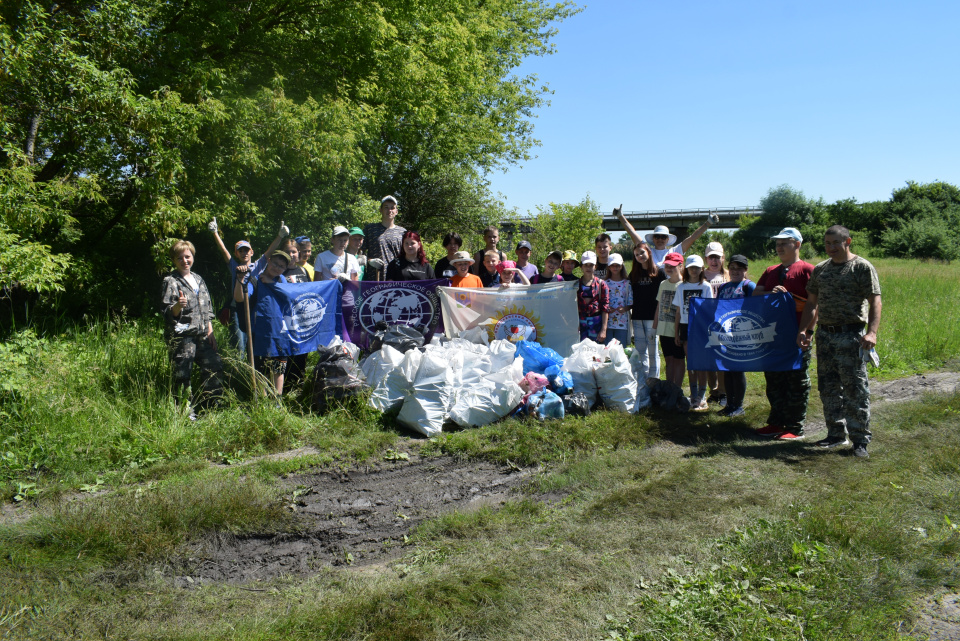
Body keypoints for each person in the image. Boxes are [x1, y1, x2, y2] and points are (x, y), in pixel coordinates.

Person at [798, 226, 882, 458]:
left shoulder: (861, 267)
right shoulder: (821, 269)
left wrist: (872, 333)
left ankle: (860, 440)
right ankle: (835, 434)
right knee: (828, 387)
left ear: (848, 241)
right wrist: (805, 330)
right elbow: (812, 303)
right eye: (827, 243)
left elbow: (875, 301)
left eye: (836, 242)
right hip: (825, 335)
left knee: (855, 389)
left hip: (851, 335)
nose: (831, 247)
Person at [753, 227, 816, 440]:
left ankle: (795, 427)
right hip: (772, 336)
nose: (779, 247)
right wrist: (771, 293)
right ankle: (776, 422)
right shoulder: (771, 270)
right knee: (774, 380)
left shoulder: (808, 270)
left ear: (797, 244)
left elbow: (815, 304)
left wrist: (808, 331)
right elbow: (755, 294)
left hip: (797, 335)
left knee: (796, 380)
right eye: (777, 243)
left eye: (784, 243)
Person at [161, 240, 223, 420]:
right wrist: (177, 306)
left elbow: (207, 308)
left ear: (193, 257)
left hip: (202, 335)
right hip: (183, 337)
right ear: (174, 260)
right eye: (179, 258)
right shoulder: (171, 281)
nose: (184, 261)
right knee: (182, 375)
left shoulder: (198, 279)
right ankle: (186, 413)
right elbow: (166, 312)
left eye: (187, 257)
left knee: (214, 366)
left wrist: (210, 332)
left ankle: (212, 407)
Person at [208, 218, 289, 354]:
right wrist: (215, 233)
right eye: (240, 251)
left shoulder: (258, 265)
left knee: (254, 343)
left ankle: (253, 365)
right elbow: (224, 251)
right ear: (236, 253)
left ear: (252, 252)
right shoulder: (235, 267)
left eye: (247, 250)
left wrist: (280, 236)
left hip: (255, 308)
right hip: (237, 308)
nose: (244, 253)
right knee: (239, 344)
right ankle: (239, 366)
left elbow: (270, 252)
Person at [234, 250, 292, 395]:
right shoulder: (254, 280)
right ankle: (262, 400)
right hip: (258, 332)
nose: (277, 268)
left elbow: (289, 296)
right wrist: (240, 280)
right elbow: (240, 298)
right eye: (275, 263)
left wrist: (272, 283)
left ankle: (277, 399)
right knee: (260, 369)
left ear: (285, 269)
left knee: (279, 368)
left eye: (281, 266)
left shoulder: (282, 280)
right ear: (269, 261)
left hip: (279, 332)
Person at [613, 205, 717, 267]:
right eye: (657, 236)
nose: (660, 239)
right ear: (653, 239)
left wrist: (708, 223)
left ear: (667, 239)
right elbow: (632, 232)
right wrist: (620, 216)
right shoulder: (648, 251)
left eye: (663, 237)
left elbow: (692, 237)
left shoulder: (675, 251)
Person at [716, 255, 755, 417]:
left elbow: (756, 308)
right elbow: (717, 308)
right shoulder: (723, 287)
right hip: (725, 334)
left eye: (739, 268)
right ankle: (729, 404)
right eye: (732, 268)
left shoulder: (749, 286)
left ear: (745, 270)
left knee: (738, 369)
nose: (735, 271)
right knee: (727, 368)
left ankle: (738, 406)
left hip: (742, 334)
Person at [672, 255, 713, 411]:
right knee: (691, 363)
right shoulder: (681, 287)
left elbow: (709, 309)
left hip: (700, 327)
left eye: (697, 267)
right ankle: (693, 394)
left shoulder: (706, 287)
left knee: (700, 363)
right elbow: (678, 311)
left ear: (701, 269)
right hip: (685, 326)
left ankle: (702, 395)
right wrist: (676, 333)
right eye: (691, 268)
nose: (694, 270)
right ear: (686, 269)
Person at [629, 241, 666, 384]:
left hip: (653, 317)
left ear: (649, 253)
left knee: (653, 350)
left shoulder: (659, 273)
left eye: (642, 253)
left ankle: (654, 381)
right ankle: (643, 381)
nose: (640, 256)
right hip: (637, 317)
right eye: (636, 255)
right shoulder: (634, 274)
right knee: (640, 351)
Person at [702, 241, 729, 407]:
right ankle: (713, 391)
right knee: (708, 359)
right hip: (704, 322)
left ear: (723, 258)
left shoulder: (728, 275)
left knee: (722, 357)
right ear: (706, 259)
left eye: (717, 257)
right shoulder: (700, 275)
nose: (714, 261)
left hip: (724, 322)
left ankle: (723, 391)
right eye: (711, 257)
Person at [653, 252, 685, 386]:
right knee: (668, 359)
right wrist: (654, 327)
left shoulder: (684, 284)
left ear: (681, 266)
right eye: (667, 266)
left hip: (678, 329)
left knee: (679, 359)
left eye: (673, 266)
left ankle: (678, 388)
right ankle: (669, 387)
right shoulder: (663, 284)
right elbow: (659, 306)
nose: (669, 268)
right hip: (664, 329)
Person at [363, 195, 406, 280]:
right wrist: (369, 261)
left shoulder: (403, 232)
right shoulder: (370, 229)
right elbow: (359, 252)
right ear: (380, 210)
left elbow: (408, 256)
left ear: (396, 211)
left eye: (392, 208)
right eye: (386, 207)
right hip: (375, 279)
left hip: (395, 279)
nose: (389, 210)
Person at [577, 251, 609, 343]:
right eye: (585, 265)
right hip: (580, 324)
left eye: (591, 265)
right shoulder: (576, 285)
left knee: (596, 350)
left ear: (595, 266)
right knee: (580, 349)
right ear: (581, 266)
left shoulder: (601, 284)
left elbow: (605, 308)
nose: (588, 267)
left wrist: (603, 330)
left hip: (596, 324)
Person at [604, 253, 632, 345]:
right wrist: (607, 308)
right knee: (607, 349)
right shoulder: (605, 283)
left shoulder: (627, 283)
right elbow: (602, 301)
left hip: (622, 323)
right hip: (607, 323)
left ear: (621, 266)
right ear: (609, 267)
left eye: (617, 265)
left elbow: (630, 302)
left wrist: (625, 308)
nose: (615, 268)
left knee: (620, 349)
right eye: (612, 265)